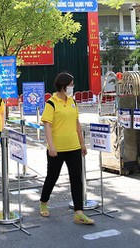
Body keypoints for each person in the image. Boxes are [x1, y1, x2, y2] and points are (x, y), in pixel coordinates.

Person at [38, 72, 93, 225]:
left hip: (74, 147)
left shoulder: (72, 102)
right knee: (52, 177)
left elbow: (77, 123)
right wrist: (51, 146)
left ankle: (79, 212)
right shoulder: (51, 103)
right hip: (57, 148)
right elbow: (47, 126)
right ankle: (43, 202)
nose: (72, 87)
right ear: (63, 86)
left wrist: (82, 144)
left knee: (77, 179)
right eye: (71, 85)